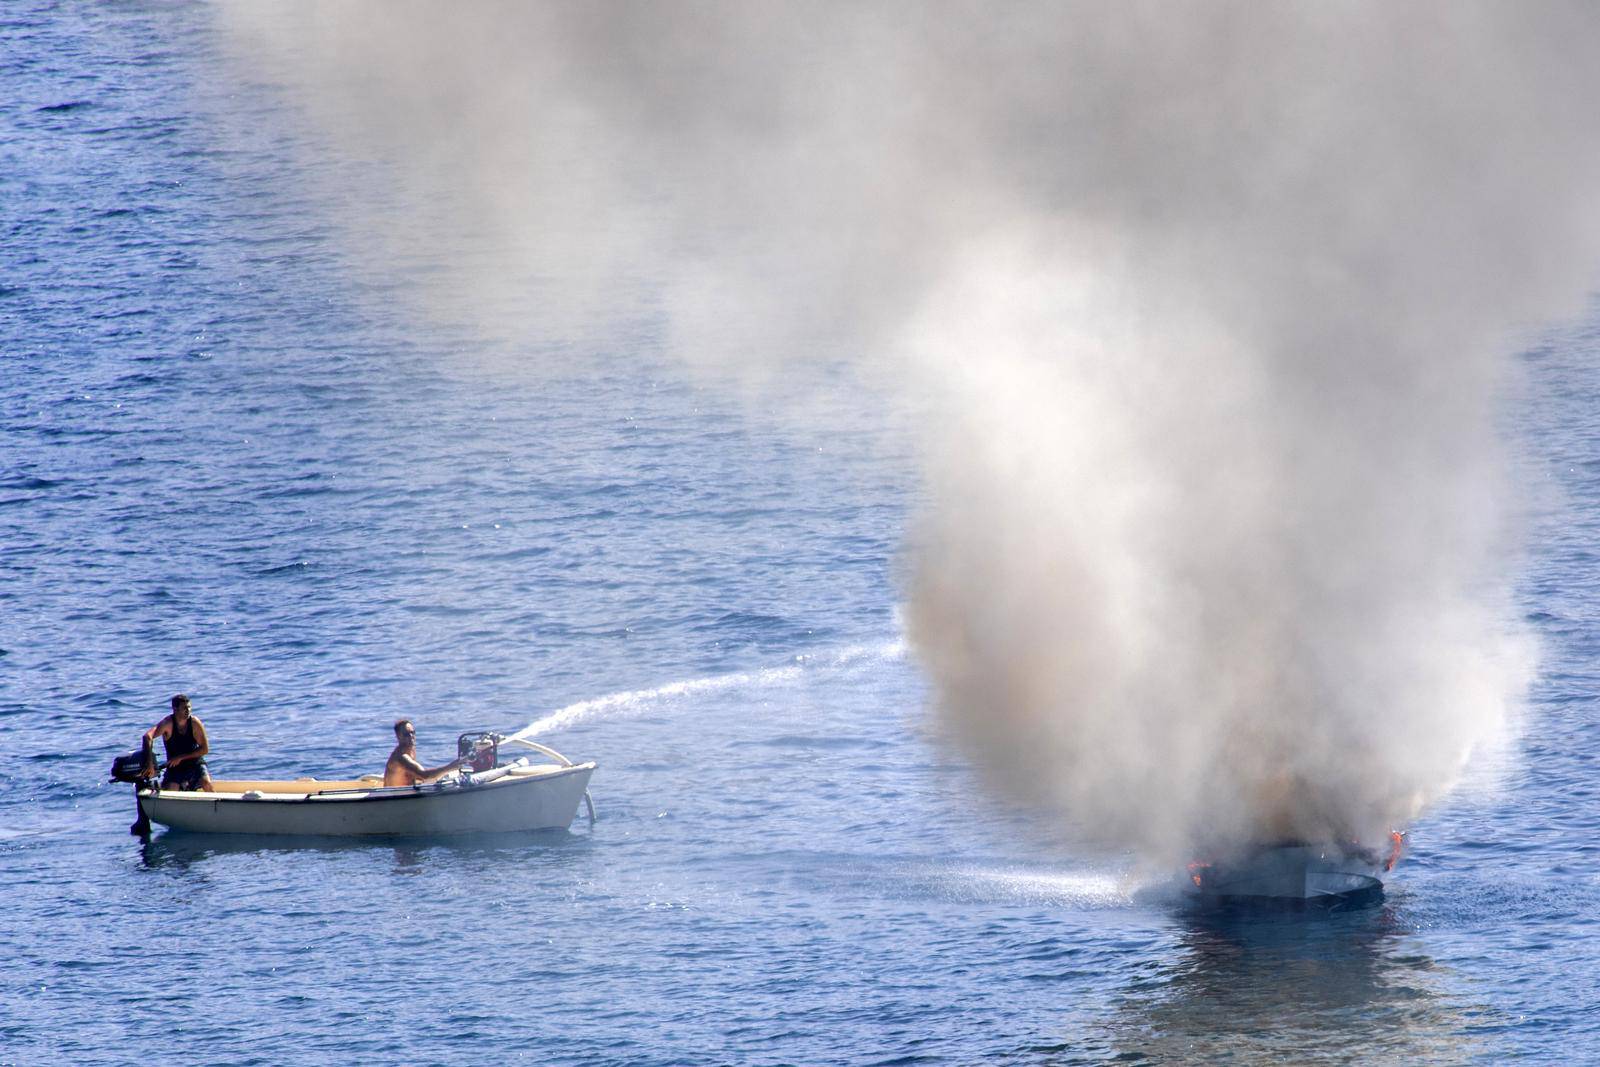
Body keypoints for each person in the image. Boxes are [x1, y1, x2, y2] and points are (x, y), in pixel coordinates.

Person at [142, 693, 212, 792]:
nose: (188, 711)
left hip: (195, 763)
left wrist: (181, 757)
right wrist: (149, 764)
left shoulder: (195, 723)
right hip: (175, 767)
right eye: (184, 708)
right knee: (172, 790)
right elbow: (147, 737)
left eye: (189, 707)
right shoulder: (167, 723)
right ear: (175, 709)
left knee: (207, 783)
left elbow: (204, 749)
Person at [384, 719, 467, 787]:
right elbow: (424, 775)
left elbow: (417, 776)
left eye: (412, 732)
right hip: (396, 798)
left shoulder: (411, 751)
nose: (411, 736)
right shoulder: (401, 757)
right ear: (399, 737)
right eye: (406, 734)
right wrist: (451, 767)